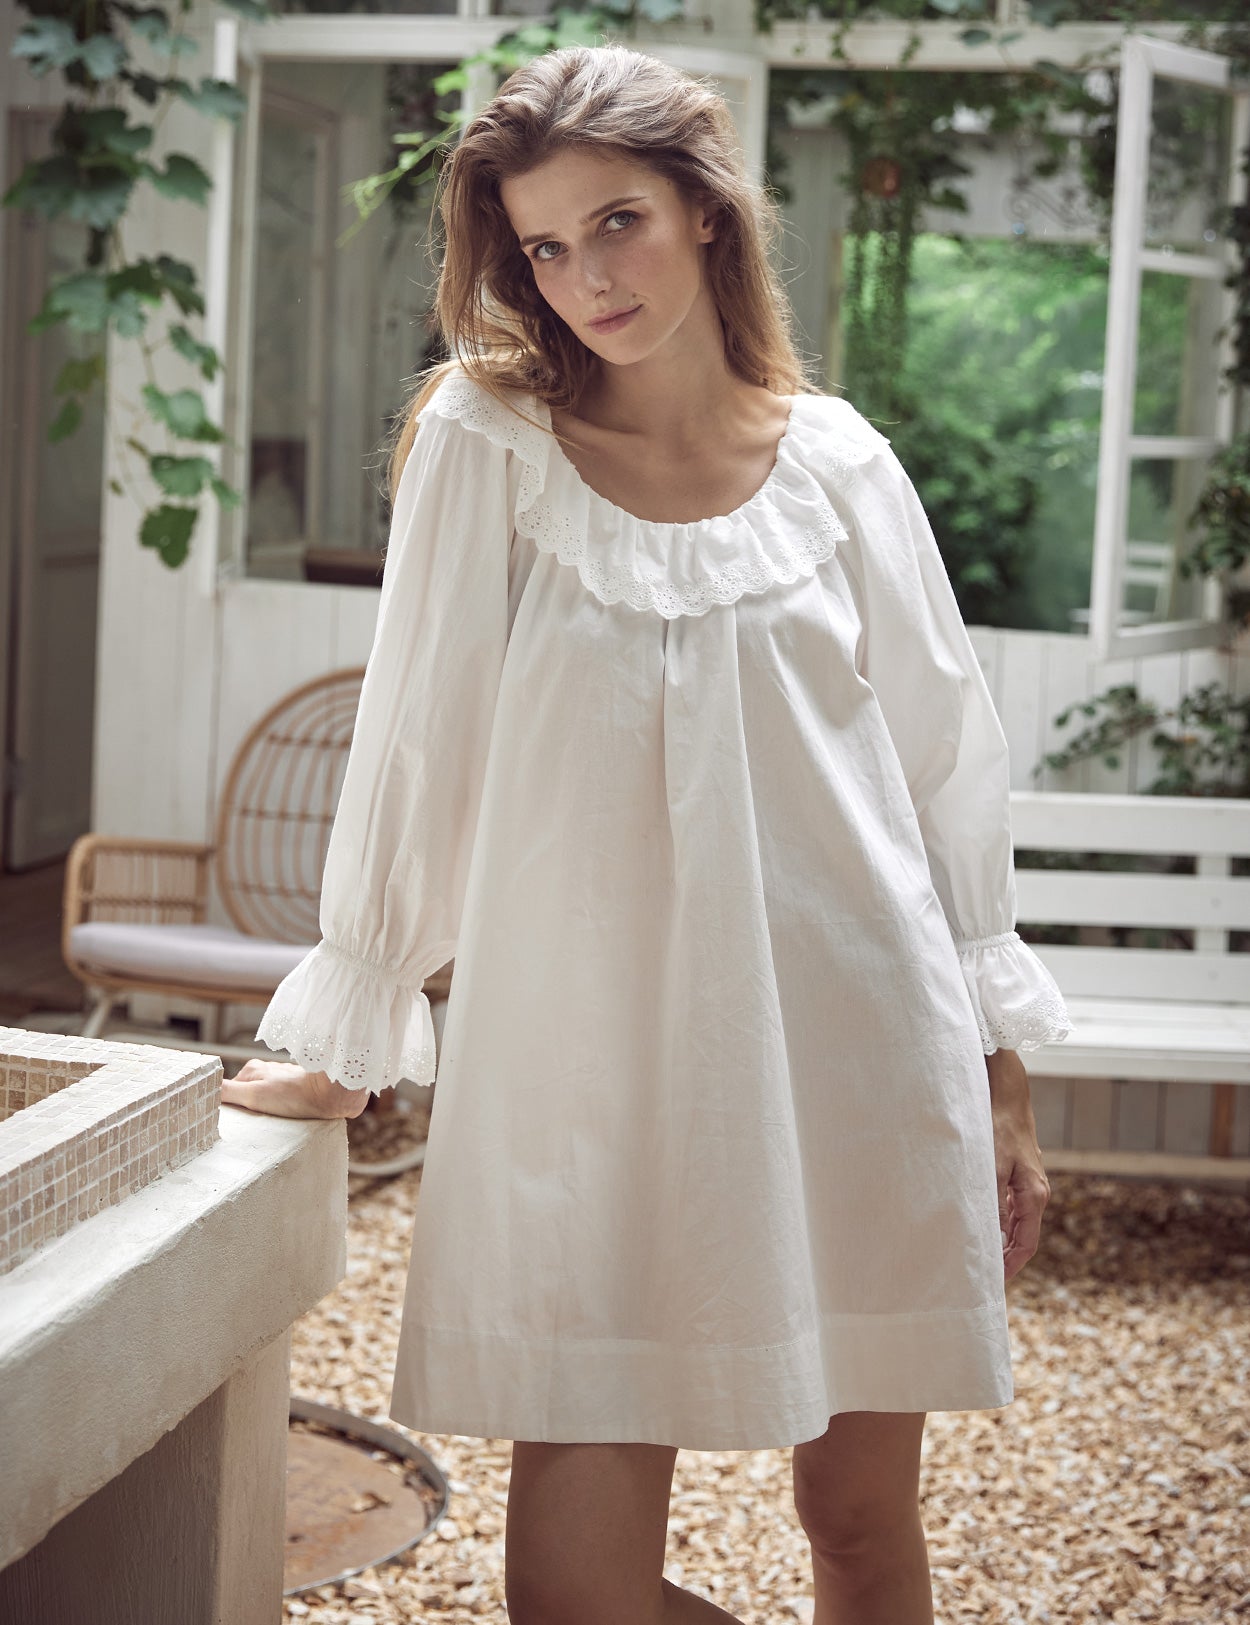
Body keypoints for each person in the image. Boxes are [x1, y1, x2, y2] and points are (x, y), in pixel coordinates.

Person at [223, 42, 1072, 1625]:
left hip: (856, 1043)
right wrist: (355, 1020)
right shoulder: (488, 445)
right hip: (589, 1064)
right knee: (571, 1589)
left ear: (706, 215)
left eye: (614, 223)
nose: (580, 278)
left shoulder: (842, 469)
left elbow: (946, 777)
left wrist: (1001, 1090)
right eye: (543, 245)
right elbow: (420, 748)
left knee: (861, 1527)